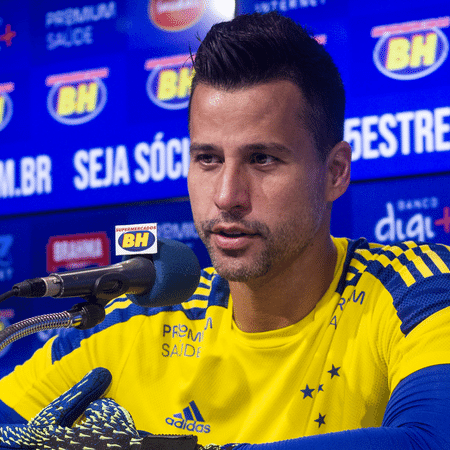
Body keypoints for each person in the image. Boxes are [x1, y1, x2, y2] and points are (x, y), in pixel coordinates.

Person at [1, 10, 450, 450]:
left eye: (262, 159)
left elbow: (429, 440)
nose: (227, 195)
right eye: (208, 159)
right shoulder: (135, 323)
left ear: (334, 172)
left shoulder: (418, 292)